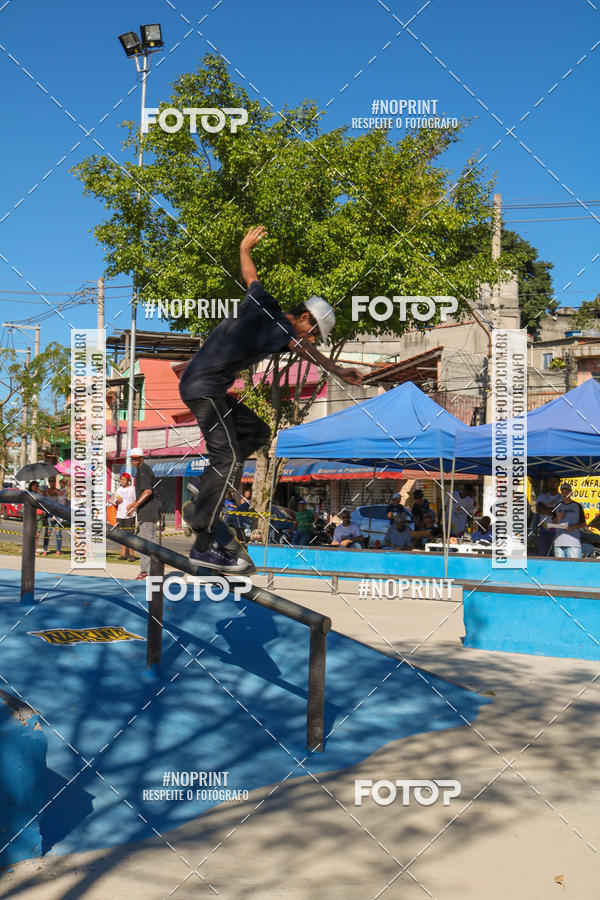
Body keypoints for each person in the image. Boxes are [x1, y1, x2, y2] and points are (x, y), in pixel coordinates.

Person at [178, 225, 363, 571]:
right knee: (230, 455)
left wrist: (244, 247)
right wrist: (338, 371)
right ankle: (202, 545)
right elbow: (305, 350)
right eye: (313, 332)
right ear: (305, 317)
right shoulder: (282, 327)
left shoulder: (263, 300)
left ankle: (205, 489)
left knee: (258, 432)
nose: (311, 338)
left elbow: (250, 275)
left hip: (207, 387)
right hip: (204, 389)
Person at [126, 449, 161, 579]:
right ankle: (146, 571)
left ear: (141, 458)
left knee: (148, 542)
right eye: (132, 458)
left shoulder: (143, 471)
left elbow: (148, 491)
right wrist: (135, 503)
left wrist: (135, 504)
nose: (134, 460)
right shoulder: (141, 470)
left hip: (148, 510)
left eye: (136, 458)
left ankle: (150, 572)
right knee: (141, 541)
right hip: (146, 510)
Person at [551, 483, 586, 559]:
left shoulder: (577, 506)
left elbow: (583, 523)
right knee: (559, 568)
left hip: (573, 544)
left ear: (571, 493)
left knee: (574, 568)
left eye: (566, 492)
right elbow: (551, 523)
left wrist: (572, 527)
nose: (564, 494)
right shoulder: (557, 506)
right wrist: (558, 517)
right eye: (563, 492)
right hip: (559, 544)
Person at [110, 472, 136, 560]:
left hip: (130, 515)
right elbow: (114, 502)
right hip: (120, 515)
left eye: (124, 480)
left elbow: (137, 501)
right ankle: (124, 555)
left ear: (128, 480)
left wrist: (131, 506)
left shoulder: (133, 489)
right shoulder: (119, 489)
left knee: (130, 535)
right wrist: (118, 501)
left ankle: (132, 555)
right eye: (121, 479)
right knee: (121, 535)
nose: (122, 481)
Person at [535, 475, 562, 557]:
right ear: (547, 483)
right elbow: (539, 509)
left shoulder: (562, 497)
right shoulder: (542, 496)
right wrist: (554, 511)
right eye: (550, 482)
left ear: (559, 483)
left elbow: (561, 512)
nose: (552, 484)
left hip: (558, 531)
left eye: (555, 482)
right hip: (544, 530)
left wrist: (546, 509)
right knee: (542, 555)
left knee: (555, 556)